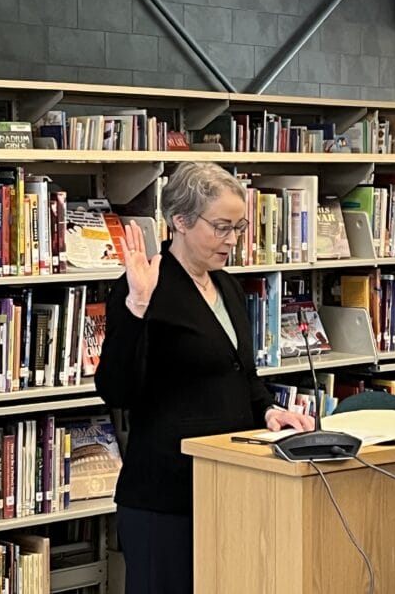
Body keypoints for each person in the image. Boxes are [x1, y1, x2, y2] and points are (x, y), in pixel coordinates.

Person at [95, 161, 314, 594]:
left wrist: (269, 410)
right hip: (167, 495)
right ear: (180, 221)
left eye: (239, 227)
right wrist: (137, 306)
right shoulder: (144, 286)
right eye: (221, 227)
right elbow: (116, 390)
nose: (232, 240)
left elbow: (241, 374)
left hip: (232, 483)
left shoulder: (228, 286)